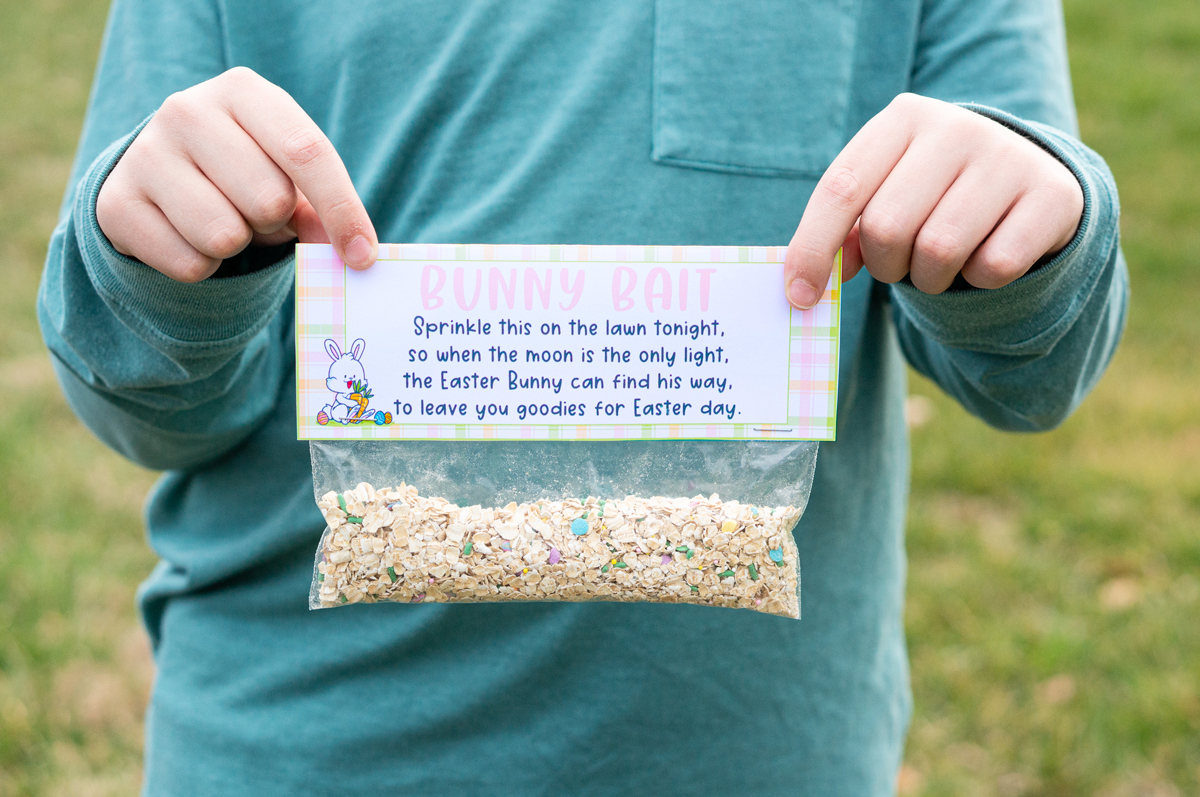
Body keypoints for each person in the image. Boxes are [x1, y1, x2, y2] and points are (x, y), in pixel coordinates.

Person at [39, 0, 1127, 794]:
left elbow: (1034, 372)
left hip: (763, 756)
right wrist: (163, 266)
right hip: (304, 744)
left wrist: (1030, 221)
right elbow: (150, 409)